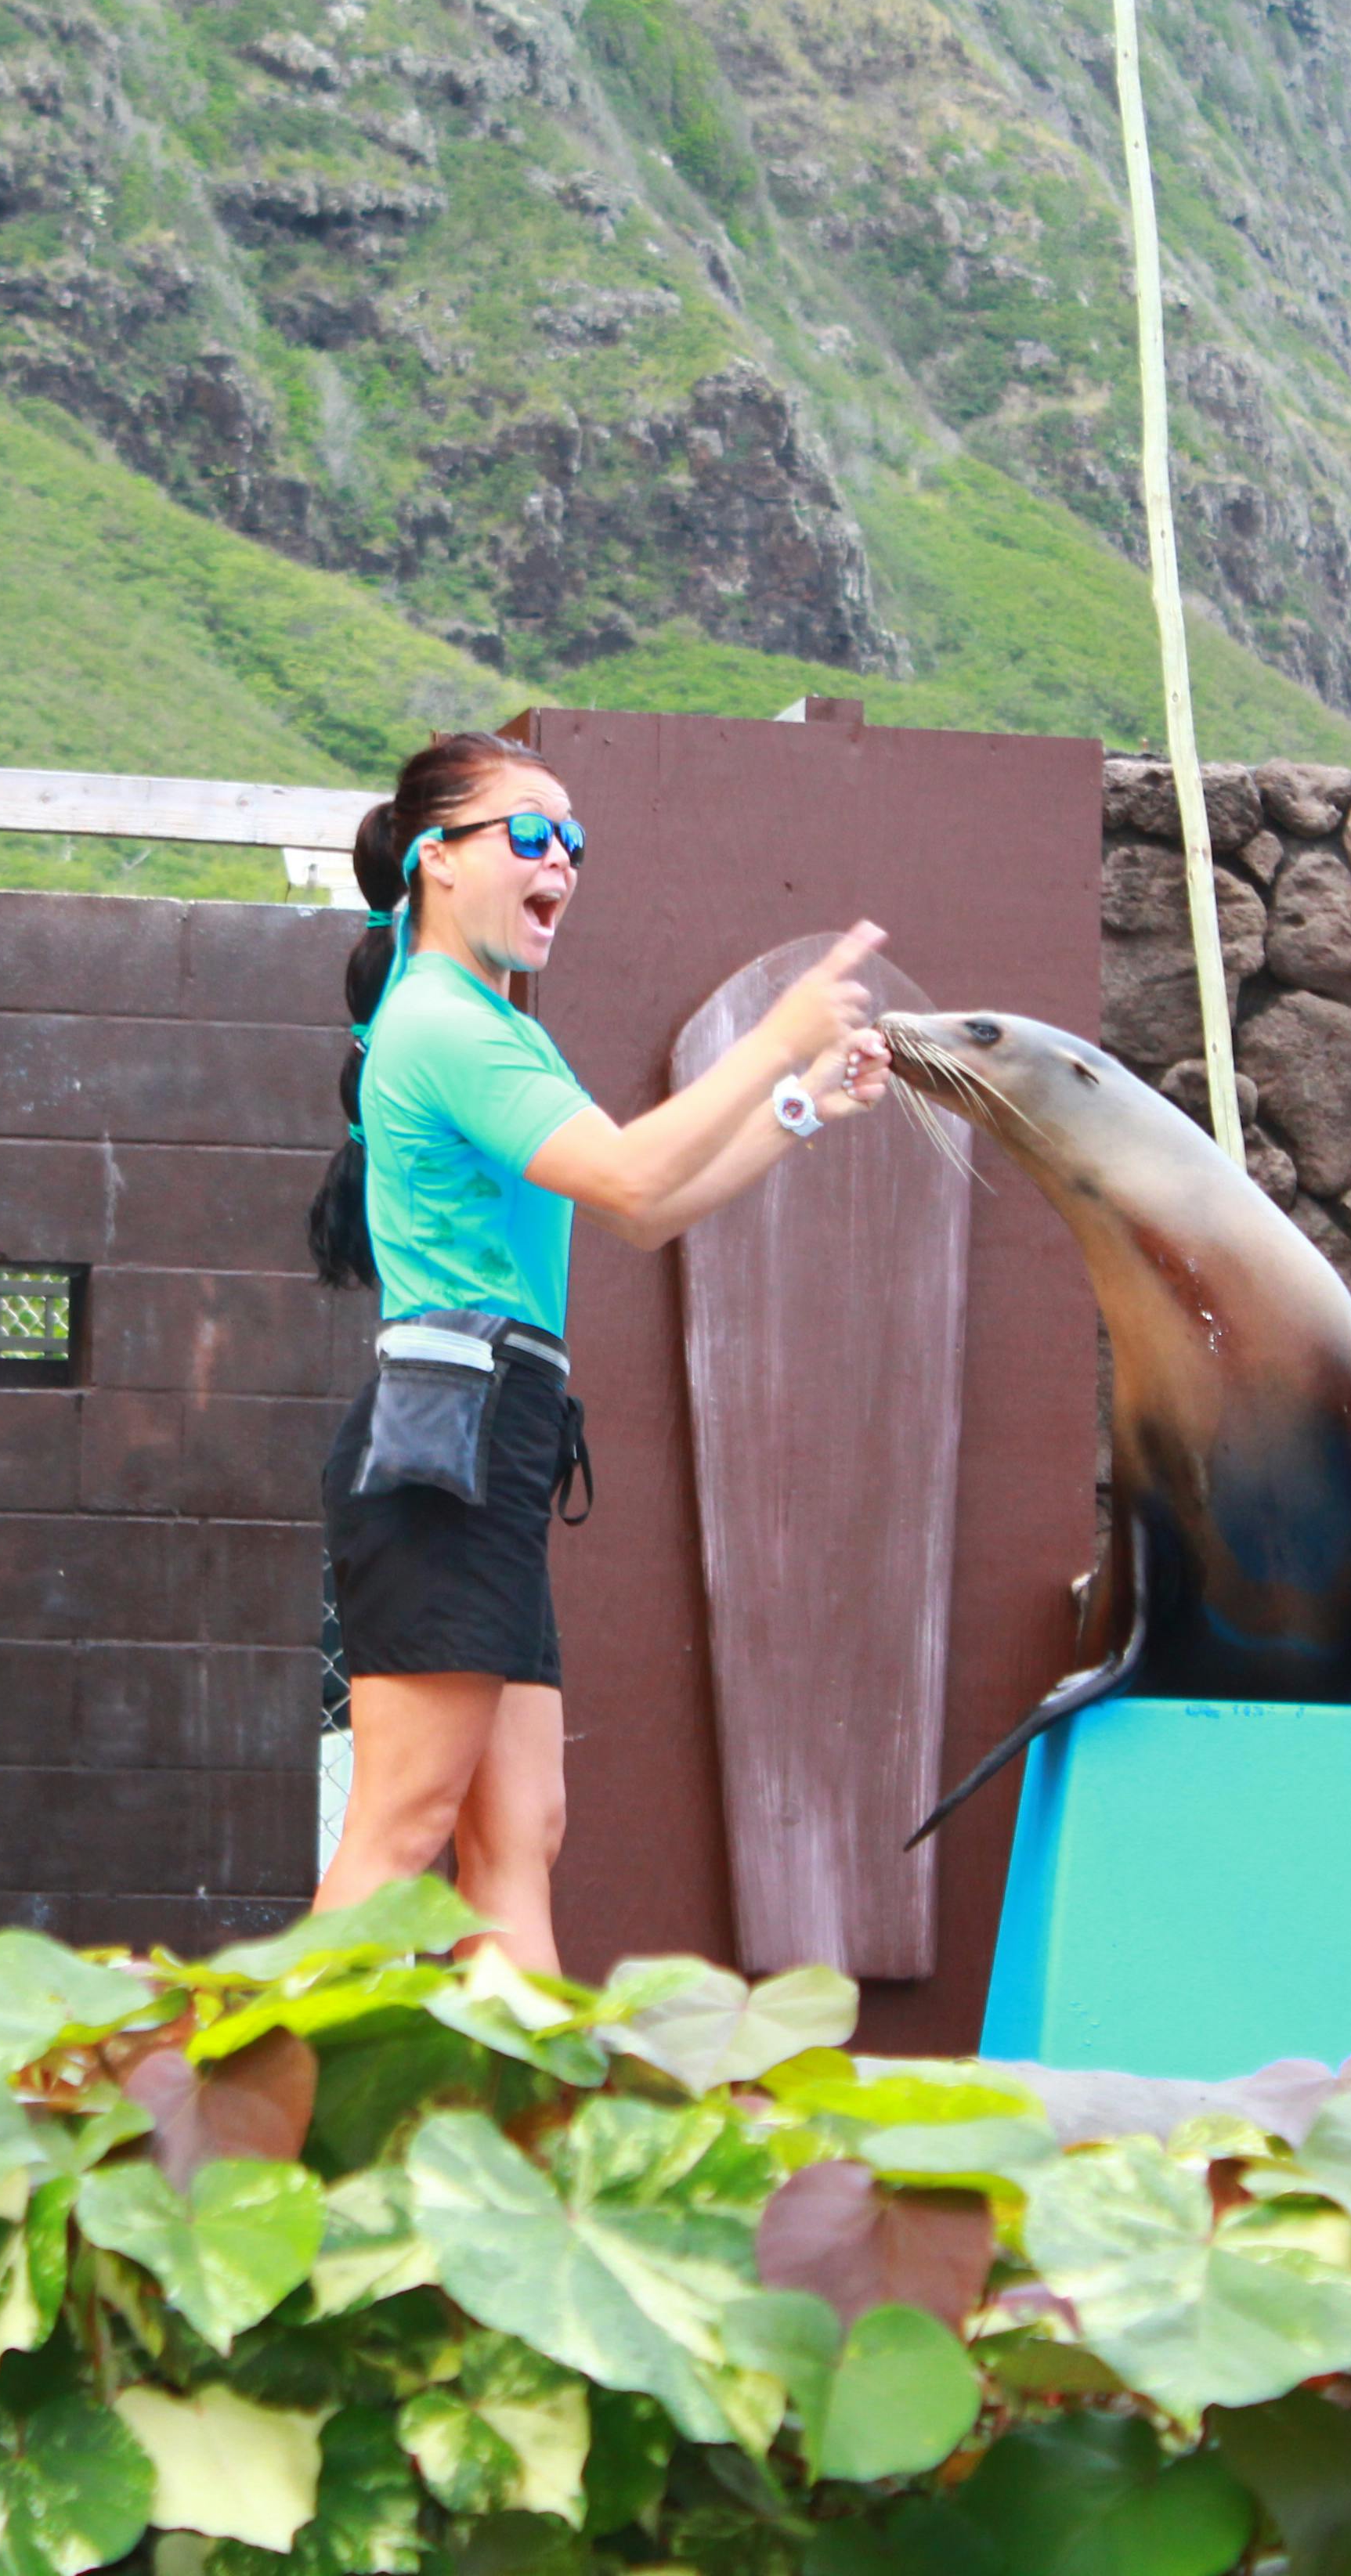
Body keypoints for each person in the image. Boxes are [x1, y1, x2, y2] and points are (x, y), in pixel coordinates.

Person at [305, 729, 894, 1973]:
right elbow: (633, 1172)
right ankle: (234, 2122)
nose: (560, 859)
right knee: (402, 1826)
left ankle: (517, 2127)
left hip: (497, 1438)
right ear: (435, 861)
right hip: (449, 1440)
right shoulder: (445, 1026)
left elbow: (647, 1206)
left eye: (572, 839)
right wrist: (778, 1035)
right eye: (528, 833)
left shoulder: (494, 1028)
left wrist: (799, 1107)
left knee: (521, 1829)